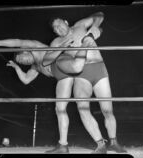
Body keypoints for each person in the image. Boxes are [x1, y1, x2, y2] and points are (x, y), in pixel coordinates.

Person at [43, 12, 127, 154]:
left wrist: (93, 30)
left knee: (107, 110)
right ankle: (100, 144)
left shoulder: (80, 25)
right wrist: (61, 47)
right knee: (82, 108)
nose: (58, 29)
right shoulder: (57, 42)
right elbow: (46, 61)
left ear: (66, 21)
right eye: (55, 28)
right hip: (81, 74)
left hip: (99, 68)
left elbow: (100, 15)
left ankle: (113, 142)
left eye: (59, 24)